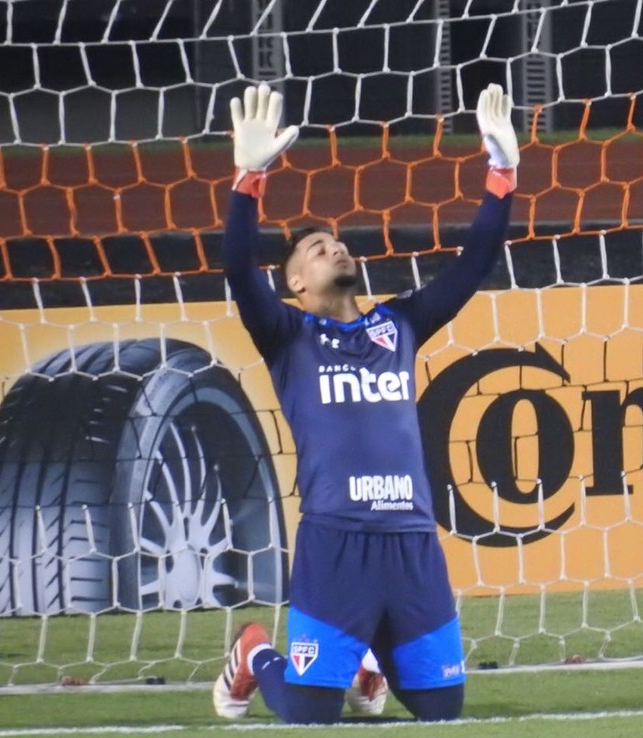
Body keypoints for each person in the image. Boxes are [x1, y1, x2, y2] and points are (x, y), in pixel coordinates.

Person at [211, 82, 519, 724]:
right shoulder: (286, 334)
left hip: (411, 540)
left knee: (443, 710)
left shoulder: (399, 325)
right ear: (294, 282)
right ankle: (253, 653)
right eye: (317, 251)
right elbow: (240, 268)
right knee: (306, 713)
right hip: (336, 541)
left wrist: (502, 172)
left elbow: (474, 263)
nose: (335, 249)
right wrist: (249, 179)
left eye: (338, 244)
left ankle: (365, 660)